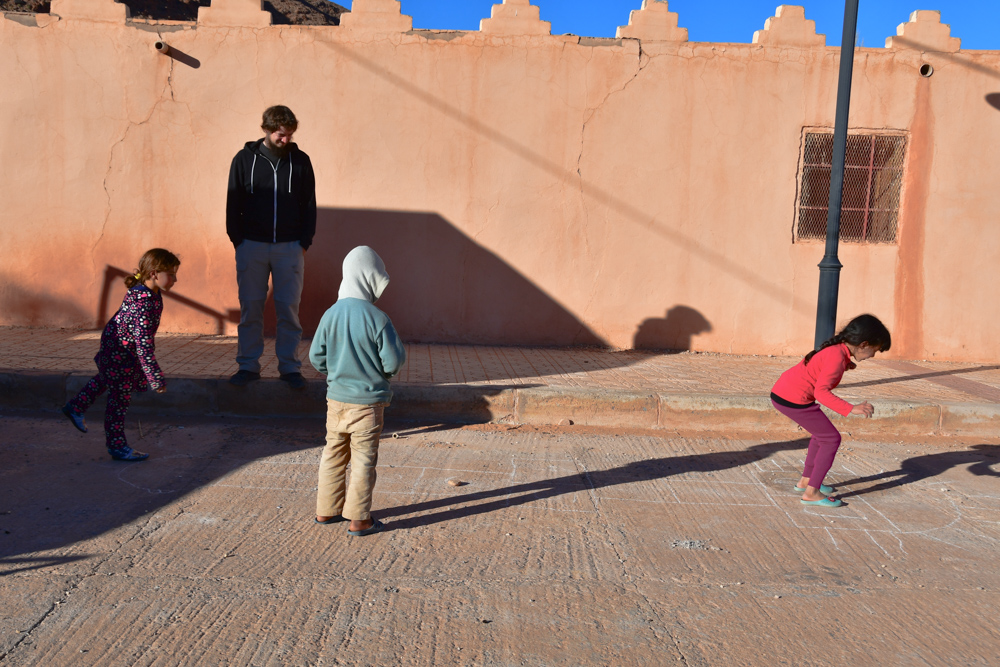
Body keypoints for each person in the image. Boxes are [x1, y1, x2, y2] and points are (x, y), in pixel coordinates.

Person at [309, 246, 406, 537]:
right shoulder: (378, 318)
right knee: (363, 460)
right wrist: (380, 375)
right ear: (369, 278)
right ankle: (359, 519)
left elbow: (316, 357)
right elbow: (394, 361)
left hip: (335, 401)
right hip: (367, 404)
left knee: (333, 454)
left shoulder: (330, 314)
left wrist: (336, 374)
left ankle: (326, 511)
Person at [226, 105, 316, 390]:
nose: (285, 140)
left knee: (288, 309)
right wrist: (238, 241)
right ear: (266, 129)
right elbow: (233, 203)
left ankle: (289, 368)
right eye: (281, 134)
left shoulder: (301, 162)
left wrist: (304, 243)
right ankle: (248, 366)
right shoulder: (243, 160)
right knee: (250, 307)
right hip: (251, 246)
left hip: (289, 247)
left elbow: (309, 205)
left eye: (289, 135)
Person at [62, 249, 181, 462]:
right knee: (119, 400)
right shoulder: (143, 300)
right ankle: (117, 446)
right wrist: (155, 377)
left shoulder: (149, 293)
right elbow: (144, 343)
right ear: (154, 274)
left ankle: (75, 407)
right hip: (119, 350)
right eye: (171, 274)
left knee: (107, 380)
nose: (175, 279)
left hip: (119, 348)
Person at [770, 314, 892, 507]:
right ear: (863, 344)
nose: (873, 356)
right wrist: (851, 408)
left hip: (785, 393)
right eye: (874, 351)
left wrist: (847, 364)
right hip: (793, 398)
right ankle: (812, 493)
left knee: (821, 435)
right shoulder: (836, 355)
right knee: (831, 438)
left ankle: (806, 482)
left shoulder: (837, 350)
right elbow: (822, 392)